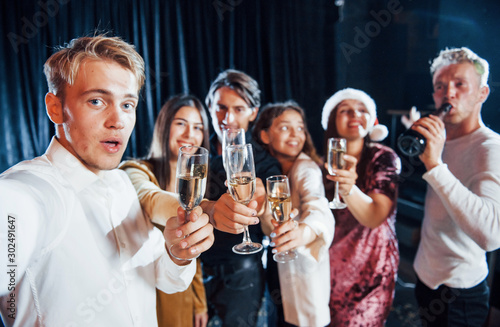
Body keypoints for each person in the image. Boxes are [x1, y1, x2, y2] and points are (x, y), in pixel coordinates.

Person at [0, 35, 214, 327]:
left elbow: (162, 278)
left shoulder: (122, 184)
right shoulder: (26, 192)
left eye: (127, 105)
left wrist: (177, 254)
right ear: (56, 108)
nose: (118, 120)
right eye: (97, 101)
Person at [411, 47, 500, 326]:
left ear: (482, 93)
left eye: (460, 84)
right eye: (440, 86)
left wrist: (435, 166)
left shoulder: (491, 148)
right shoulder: (443, 137)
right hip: (426, 278)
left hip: (458, 295)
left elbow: (491, 235)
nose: (448, 93)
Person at [120, 94, 210, 327]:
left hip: (181, 290)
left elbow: (192, 247)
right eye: (181, 123)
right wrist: (205, 208)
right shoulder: (135, 169)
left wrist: (200, 302)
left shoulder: (196, 181)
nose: (190, 134)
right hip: (145, 288)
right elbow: (149, 200)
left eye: (198, 127)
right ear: (163, 126)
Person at [202, 69, 282, 326]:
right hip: (195, 270)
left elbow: (265, 206)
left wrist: (259, 202)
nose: (228, 118)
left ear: (253, 113)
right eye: (221, 107)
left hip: (241, 274)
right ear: (209, 106)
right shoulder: (197, 152)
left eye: (238, 109)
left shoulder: (266, 163)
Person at [321, 88, 400, 326]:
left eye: (362, 109)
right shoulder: (320, 163)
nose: (355, 114)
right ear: (332, 120)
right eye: (345, 110)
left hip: (371, 272)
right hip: (328, 270)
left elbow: (375, 216)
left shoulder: (383, 158)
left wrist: (348, 188)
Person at [253, 101, 335, 327]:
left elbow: (317, 205)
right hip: (277, 263)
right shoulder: (269, 171)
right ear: (265, 136)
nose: (295, 134)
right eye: (285, 127)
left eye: (300, 128)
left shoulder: (306, 169)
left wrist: (305, 232)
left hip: (303, 271)